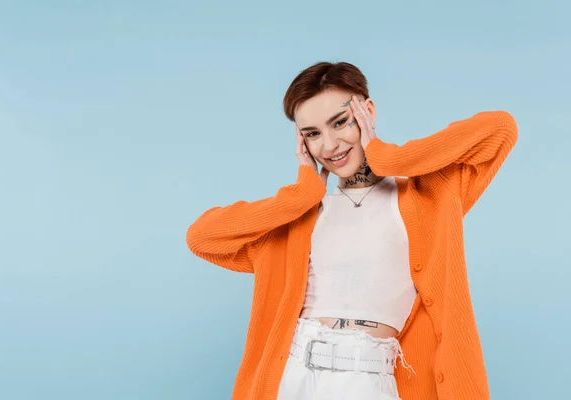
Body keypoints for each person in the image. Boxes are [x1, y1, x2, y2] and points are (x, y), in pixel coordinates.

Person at [185, 61, 518, 400]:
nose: (329, 146)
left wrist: (387, 157)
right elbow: (202, 238)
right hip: (295, 377)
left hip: (372, 379)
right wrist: (301, 195)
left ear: (366, 111)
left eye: (340, 122)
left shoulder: (431, 198)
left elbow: (500, 129)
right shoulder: (299, 218)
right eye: (313, 134)